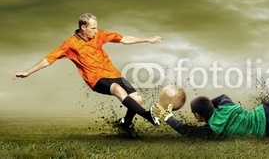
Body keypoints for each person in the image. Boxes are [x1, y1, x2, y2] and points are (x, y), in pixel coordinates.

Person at [12, 13, 163, 139]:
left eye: (97, 27)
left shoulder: (99, 35)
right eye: (93, 28)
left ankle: (126, 123)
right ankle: (146, 115)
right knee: (117, 89)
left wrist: (147, 39)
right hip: (96, 79)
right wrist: (28, 72)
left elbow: (123, 39)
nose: (96, 31)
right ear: (83, 27)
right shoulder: (70, 44)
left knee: (137, 99)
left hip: (113, 73)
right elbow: (48, 59)